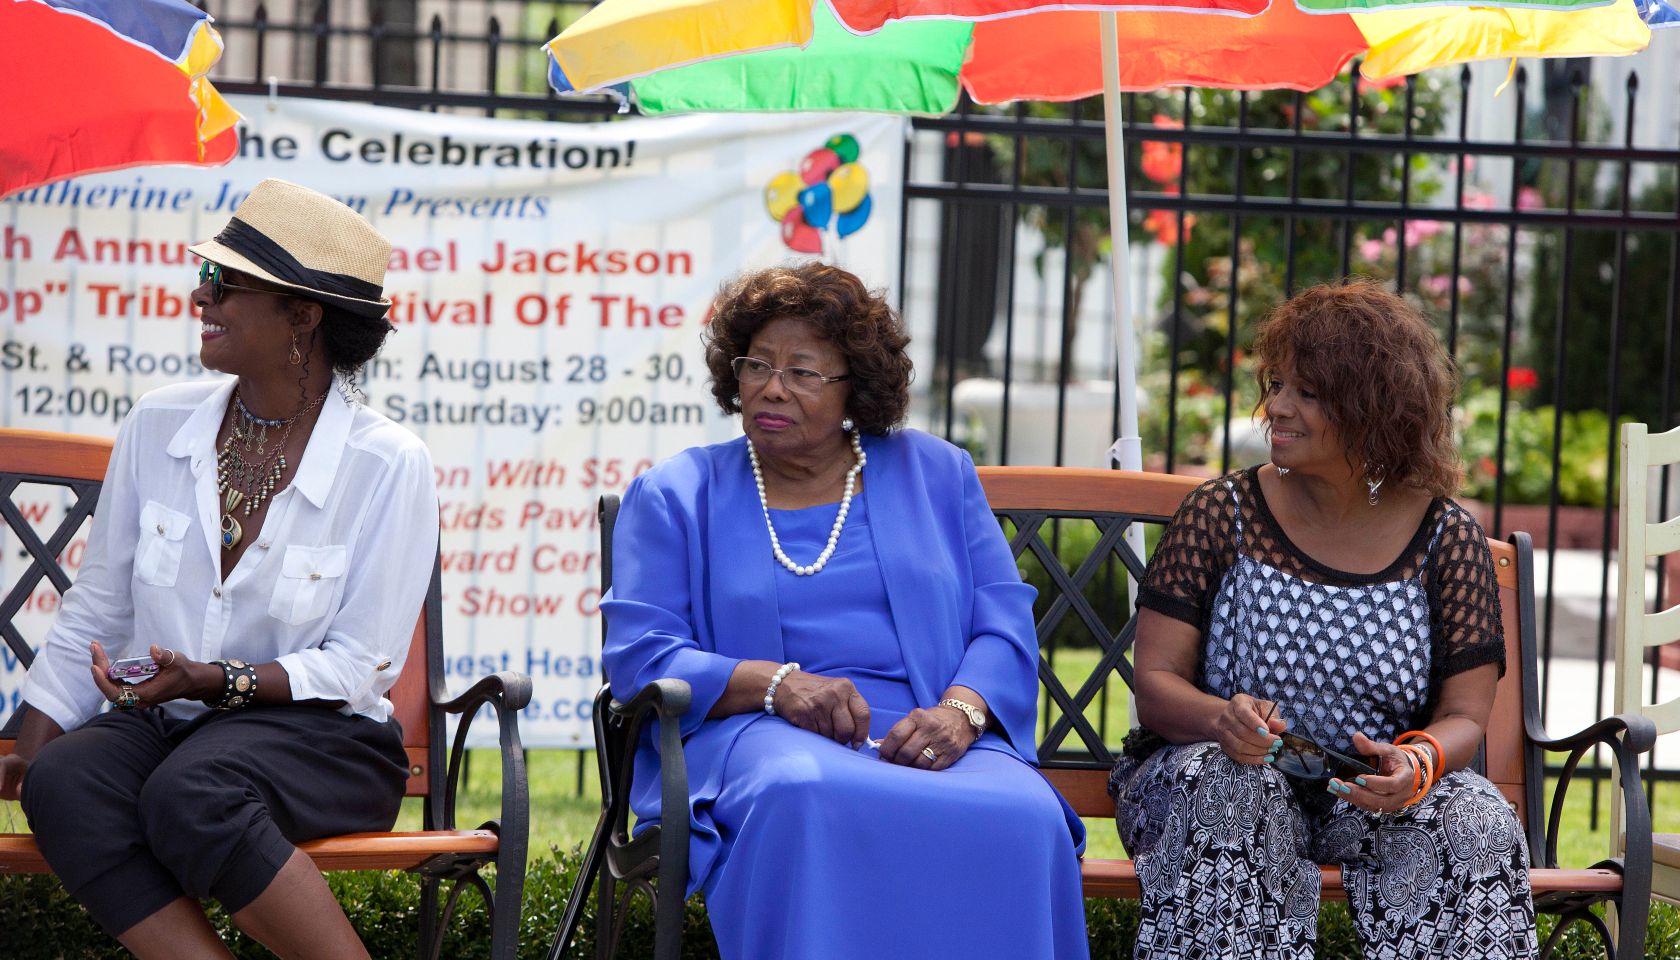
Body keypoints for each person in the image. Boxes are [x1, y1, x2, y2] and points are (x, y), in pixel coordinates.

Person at [0, 179, 438, 960]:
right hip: (175, 726)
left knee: (193, 792)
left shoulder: (387, 463)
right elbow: (99, 603)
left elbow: (358, 666)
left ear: (304, 315)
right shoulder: (160, 421)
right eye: (207, 278)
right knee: (65, 783)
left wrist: (215, 680)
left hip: (327, 740)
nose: (202, 297)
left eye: (226, 283)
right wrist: (33, 744)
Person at [603, 263, 1089, 960]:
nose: (772, 387)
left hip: (928, 731)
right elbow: (643, 655)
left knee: (1026, 813)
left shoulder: (938, 474)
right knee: (805, 792)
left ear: (854, 388)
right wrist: (776, 684)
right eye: (757, 365)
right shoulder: (679, 492)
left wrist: (961, 713)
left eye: (803, 372)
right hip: (757, 729)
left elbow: (1002, 621)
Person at [1111, 279, 1536, 960]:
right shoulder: (1221, 514)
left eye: (1306, 394)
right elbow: (1156, 683)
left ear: (1371, 409)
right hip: (1212, 773)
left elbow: (1465, 713)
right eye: (1276, 385)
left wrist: (1418, 763)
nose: (1276, 407)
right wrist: (1221, 720)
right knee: (1232, 790)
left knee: (1475, 817)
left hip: (1362, 799)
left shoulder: (1443, 538)